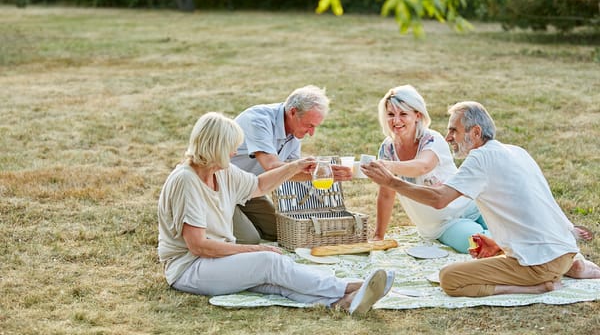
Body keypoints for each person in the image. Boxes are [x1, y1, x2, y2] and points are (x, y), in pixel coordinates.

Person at [157, 112, 393, 314]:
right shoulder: (186, 181)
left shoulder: (222, 172)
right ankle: (348, 287)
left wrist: (294, 167)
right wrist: (255, 249)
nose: (234, 152)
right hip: (189, 268)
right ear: (215, 147)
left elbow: (258, 186)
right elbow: (199, 246)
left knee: (276, 279)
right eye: (231, 147)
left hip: (216, 260)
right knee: (269, 261)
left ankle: (341, 303)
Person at [362, 101, 600, 297]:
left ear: (475, 132)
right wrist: (498, 245)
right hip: (566, 250)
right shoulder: (516, 151)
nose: (448, 137)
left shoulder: (480, 159)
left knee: (449, 278)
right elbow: (528, 209)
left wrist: (391, 181)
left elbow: (439, 199)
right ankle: (565, 268)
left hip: (540, 264)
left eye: (454, 130)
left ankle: (535, 286)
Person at [372, 85, 488, 253]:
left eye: (403, 114)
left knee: (510, 231)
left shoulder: (431, 139)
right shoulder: (387, 149)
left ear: (417, 115)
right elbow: (386, 194)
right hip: (443, 224)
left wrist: (387, 166)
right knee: (478, 244)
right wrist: (378, 236)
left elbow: (422, 166)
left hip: (472, 205)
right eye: (391, 114)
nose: (396, 121)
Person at [230, 85, 352, 244]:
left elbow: (289, 174)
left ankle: (236, 221)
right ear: (293, 112)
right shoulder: (258, 120)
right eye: (309, 125)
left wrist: (324, 174)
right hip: (221, 187)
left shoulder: (294, 130)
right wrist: (303, 166)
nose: (311, 133)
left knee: (281, 231)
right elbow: (272, 167)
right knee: (249, 239)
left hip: (250, 188)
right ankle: (212, 223)